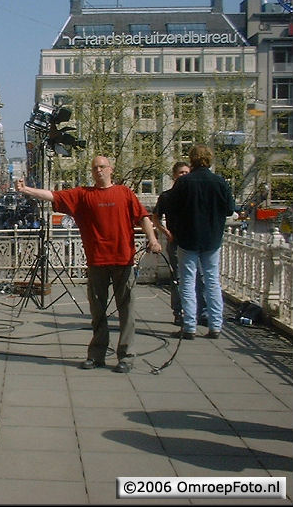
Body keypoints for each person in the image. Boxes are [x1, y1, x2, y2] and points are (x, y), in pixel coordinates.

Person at [16, 155, 161, 373]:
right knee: (98, 311)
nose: (99, 171)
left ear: (111, 169)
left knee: (127, 311)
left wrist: (153, 239)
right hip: (97, 261)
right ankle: (97, 355)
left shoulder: (124, 193)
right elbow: (53, 195)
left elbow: (143, 218)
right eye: (95, 168)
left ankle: (126, 356)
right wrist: (26, 190)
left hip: (124, 260)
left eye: (102, 167)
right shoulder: (83, 195)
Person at [166, 144, 235, 339]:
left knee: (187, 282)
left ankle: (189, 326)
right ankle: (215, 325)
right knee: (212, 281)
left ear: (192, 159)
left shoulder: (184, 183)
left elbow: (172, 209)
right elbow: (229, 209)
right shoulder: (219, 182)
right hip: (212, 238)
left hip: (187, 238)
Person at [152, 161, 206, 327]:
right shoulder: (167, 196)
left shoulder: (195, 195)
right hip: (176, 242)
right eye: (181, 172)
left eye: (186, 172)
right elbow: (155, 217)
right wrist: (165, 232)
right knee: (178, 278)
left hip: (195, 241)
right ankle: (179, 312)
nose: (184, 175)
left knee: (200, 277)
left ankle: (202, 312)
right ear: (175, 175)